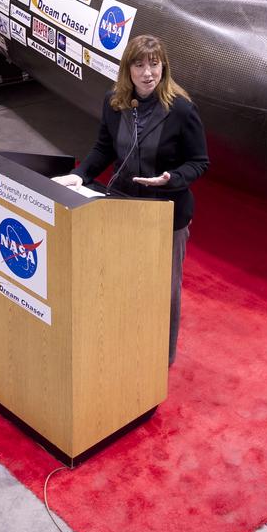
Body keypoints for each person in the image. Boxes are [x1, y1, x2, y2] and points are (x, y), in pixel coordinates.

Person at [51, 34, 209, 365]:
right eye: (139, 65)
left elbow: (199, 162)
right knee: (122, 281)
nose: (148, 72)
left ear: (164, 67)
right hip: (121, 208)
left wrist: (171, 179)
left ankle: (159, 359)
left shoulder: (181, 109)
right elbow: (104, 148)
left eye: (154, 64)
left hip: (167, 213)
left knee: (164, 291)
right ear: (128, 69)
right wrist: (80, 175)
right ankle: (125, 343)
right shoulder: (115, 102)